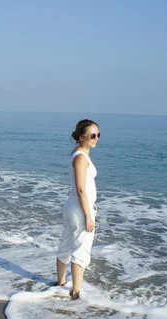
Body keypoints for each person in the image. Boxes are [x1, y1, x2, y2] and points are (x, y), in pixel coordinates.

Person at [55, 119, 100, 299]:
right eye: (92, 135)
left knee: (66, 243)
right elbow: (81, 189)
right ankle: (76, 293)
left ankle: (60, 282)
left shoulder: (78, 153)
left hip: (73, 205)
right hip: (80, 207)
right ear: (82, 137)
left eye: (98, 134)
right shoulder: (81, 157)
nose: (96, 138)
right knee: (80, 249)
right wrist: (88, 216)